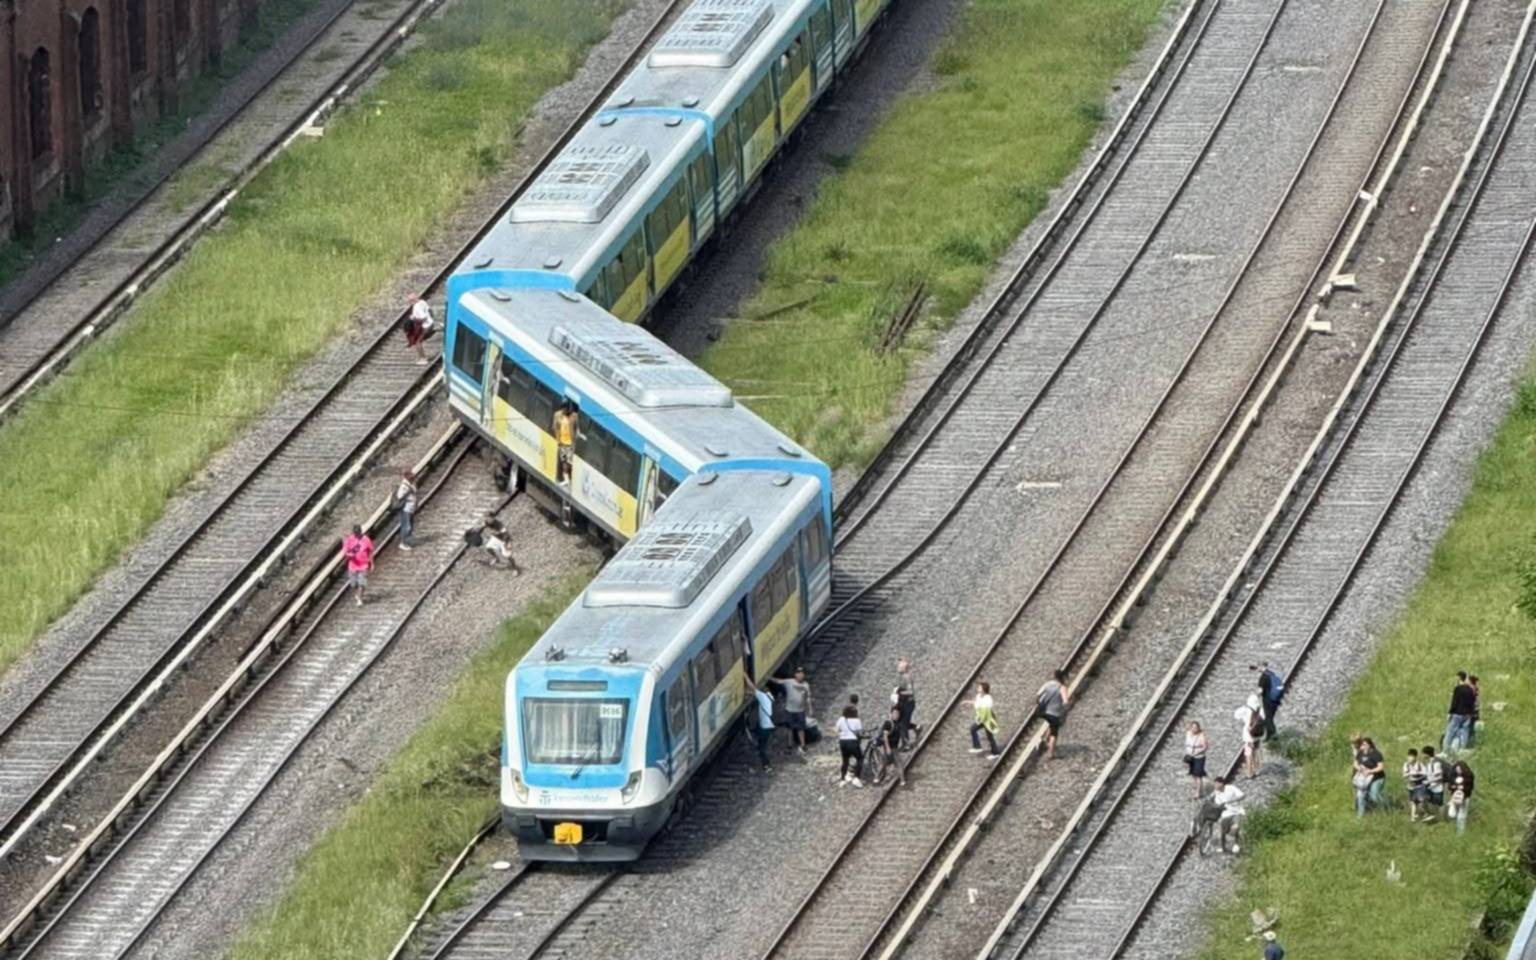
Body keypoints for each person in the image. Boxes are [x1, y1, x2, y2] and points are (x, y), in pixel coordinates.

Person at [769, 668, 812, 757]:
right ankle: (789, 745)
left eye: (802, 673)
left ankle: (803, 745)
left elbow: (808, 697)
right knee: (790, 728)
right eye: (798, 673)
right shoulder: (789, 682)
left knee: (801, 728)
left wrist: (810, 708)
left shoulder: (806, 685)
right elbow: (778, 681)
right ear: (795, 675)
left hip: (800, 710)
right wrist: (768, 677)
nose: (800, 675)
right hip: (790, 710)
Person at [1036, 669, 1070, 760]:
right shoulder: (1062, 687)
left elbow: (1038, 694)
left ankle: (1043, 741)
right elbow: (1065, 702)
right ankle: (1050, 753)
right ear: (1063, 678)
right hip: (1055, 713)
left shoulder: (1048, 684)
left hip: (1044, 711)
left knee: (1050, 725)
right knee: (1054, 733)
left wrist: (1040, 703)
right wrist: (1064, 711)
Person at [1210, 776, 1245, 853]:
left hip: (1236, 811)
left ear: (1222, 783)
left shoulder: (1231, 788)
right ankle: (1223, 847)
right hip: (1226, 813)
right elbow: (1216, 802)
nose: (1215, 786)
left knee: (1235, 828)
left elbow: (1242, 795)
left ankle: (1236, 844)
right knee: (1223, 831)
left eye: (1216, 784)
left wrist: (1232, 800)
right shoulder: (1216, 792)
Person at [747, 678, 776, 772]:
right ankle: (754, 740)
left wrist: (745, 675)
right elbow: (755, 694)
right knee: (758, 738)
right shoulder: (769, 696)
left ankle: (767, 765)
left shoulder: (763, 696)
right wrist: (750, 693)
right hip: (768, 726)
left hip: (765, 727)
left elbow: (752, 687)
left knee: (762, 748)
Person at [1351, 735, 1384, 816]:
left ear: (1369, 745)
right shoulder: (1360, 753)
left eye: (1364, 745)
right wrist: (1359, 768)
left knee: (1374, 796)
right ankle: (1360, 816)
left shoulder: (1376, 754)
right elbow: (1355, 763)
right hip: (1364, 778)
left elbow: (1381, 767)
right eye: (1362, 745)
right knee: (1360, 795)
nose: (1362, 746)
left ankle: (1384, 806)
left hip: (1377, 778)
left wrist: (1370, 771)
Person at [966, 681, 1000, 759]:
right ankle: (977, 747)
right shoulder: (978, 696)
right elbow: (976, 702)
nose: (978, 688)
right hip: (981, 718)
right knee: (973, 729)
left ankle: (995, 753)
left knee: (990, 737)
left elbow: (986, 711)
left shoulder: (988, 699)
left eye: (980, 687)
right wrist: (968, 702)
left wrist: (981, 720)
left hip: (988, 719)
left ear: (984, 689)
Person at [1443, 671, 1475, 754]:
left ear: (1459, 678)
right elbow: (1472, 702)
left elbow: (1455, 702)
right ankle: (1462, 748)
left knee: (1450, 730)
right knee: (1464, 731)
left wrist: (1450, 712)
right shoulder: (1470, 689)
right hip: (1468, 714)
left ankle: (1446, 749)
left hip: (1458, 713)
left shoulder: (1457, 689)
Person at [342, 524, 374, 606]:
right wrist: (349, 555)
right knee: (353, 584)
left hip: (363, 565)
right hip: (353, 565)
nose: (357, 535)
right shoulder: (350, 540)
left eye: (358, 533)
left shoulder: (366, 540)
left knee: (362, 583)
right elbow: (345, 550)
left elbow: (370, 552)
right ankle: (357, 594)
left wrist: (372, 563)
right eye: (355, 533)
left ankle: (360, 598)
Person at [836, 704, 864, 787]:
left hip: (843, 742)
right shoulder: (857, 720)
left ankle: (843, 779)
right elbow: (859, 732)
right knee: (860, 758)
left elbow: (837, 729)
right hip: (852, 742)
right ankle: (857, 778)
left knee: (845, 760)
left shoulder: (841, 719)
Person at [878, 705, 906, 787]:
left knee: (895, 764)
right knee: (886, 764)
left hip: (894, 748)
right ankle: (877, 778)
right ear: (891, 714)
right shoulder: (888, 723)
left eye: (898, 714)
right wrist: (887, 748)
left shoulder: (897, 723)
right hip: (890, 748)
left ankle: (902, 781)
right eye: (895, 714)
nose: (896, 716)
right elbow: (885, 736)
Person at [1255, 661, 1284, 739]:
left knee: (1268, 718)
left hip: (1268, 700)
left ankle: (1274, 735)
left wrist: (1255, 695)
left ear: (1262, 666)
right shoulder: (1272, 674)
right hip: (1275, 700)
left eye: (1258, 666)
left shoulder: (1263, 677)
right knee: (1270, 717)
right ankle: (1269, 735)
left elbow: (1260, 691)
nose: (1258, 668)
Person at [893, 656, 917, 749]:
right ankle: (916, 728)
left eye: (899, 666)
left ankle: (906, 743)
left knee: (903, 723)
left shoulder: (907, 677)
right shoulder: (902, 677)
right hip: (904, 703)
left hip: (909, 703)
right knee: (902, 722)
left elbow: (911, 692)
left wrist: (899, 692)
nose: (898, 668)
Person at [1239, 694, 1265, 778]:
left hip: (1248, 735)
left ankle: (1249, 772)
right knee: (1255, 751)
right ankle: (1255, 770)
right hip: (1257, 735)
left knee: (1248, 753)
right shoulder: (1260, 710)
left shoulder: (1246, 710)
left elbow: (1236, 715)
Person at [404, 294, 435, 364]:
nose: (409, 303)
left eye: (409, 301)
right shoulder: (422, 302)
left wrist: (414, 319)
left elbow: (423, 317)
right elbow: (429, 310)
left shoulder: (416, 307)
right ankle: (422, 357)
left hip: (426, 326)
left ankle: (423, 359)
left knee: (417, 342)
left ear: (412, 301)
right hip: (431, 323)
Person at [552, 401, 577, 486]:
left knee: (569, 463)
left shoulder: (573, 416)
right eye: (565, 409)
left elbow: (575, 429)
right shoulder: (558, 415)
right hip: (563, 442)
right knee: (564, 462)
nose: (566, 411)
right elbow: (555, 428)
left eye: (567, 410)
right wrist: (558, 441)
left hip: (570, 443)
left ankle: (567, 479)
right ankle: (566, 480)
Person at [394, 469, 418, 551]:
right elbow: (399, 496)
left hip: (411, 508)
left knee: (410, 526)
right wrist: (407, 492)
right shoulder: (404, 486)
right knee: (406, 526)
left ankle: (408, 541)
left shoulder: (411, 484)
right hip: (406, 509)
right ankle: (403, 543)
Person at [1184, 721, 1208, 799]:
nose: (1194, 729)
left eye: (1196, 727)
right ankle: (1196, 787)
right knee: (1193, 773)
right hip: (1190, 757)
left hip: (1199, 757)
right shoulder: (1188, 733)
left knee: (1198, 775)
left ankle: (1198, 792)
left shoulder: (1201, 736)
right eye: (1193, 727)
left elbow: (1205, 747)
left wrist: (1197, 752)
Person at [1402, 748, 1428, 822]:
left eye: (1412, 756)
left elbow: (1425, 773)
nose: (1410, 758)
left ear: (1415, 757)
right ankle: (1413, 817)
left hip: (1419, 785)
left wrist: (1417, 773)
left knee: (1420, 801)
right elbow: (1404, 775)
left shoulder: (1420, 764)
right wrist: (1410, 774)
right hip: (1411, 785)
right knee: (1412, 801)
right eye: (1409, 756)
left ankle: (1424, 813)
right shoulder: (1406, 764)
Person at [1422, 744, 1447, 821]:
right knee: (1425, 800)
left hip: (1437, 787)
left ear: (1427, 754)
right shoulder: (1429, 763)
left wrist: (1429, 781)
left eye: (1423, 753)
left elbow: (1439, 777)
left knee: (1440, 804)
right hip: (1431, 787)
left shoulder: (1436, 763)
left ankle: (1441, 819)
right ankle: (1433, 816)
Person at [1449, 759, 1474, 834]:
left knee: (1461, 816)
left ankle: (1460, 832)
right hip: (1454, 797)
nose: (1458, 771)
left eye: (1459, 769)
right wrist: (1454, 787)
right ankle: (1455, 828)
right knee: (1452, 814)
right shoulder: (1453, 777)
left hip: (1465, 798)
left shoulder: (1468, 777)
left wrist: (1463, 788)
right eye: (1457, 769)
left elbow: (1470, 788)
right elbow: (1450, 786)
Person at [1468, 674, 1482, 747]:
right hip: (1476, 710)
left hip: (1472, 710)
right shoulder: (1476, 688)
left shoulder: (1471, 688)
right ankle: (1473, 741)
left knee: (1470, 726)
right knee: (1473, 726)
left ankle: (1470, 742)